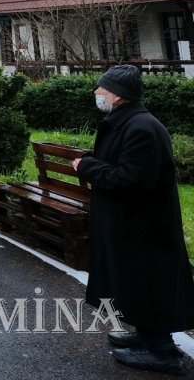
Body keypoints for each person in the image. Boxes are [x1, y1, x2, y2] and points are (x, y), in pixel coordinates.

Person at [73, 65, 194, 375]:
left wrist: (87, 167)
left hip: (145, 228)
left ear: (117, 94)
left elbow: (130, 178)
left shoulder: (141, 128)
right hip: (132, 224)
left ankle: (162, 351)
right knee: (135, 281)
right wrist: (91, 162)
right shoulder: (129, 123)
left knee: (147, 281)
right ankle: (146, 335)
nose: (96, 93)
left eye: (100, 89)